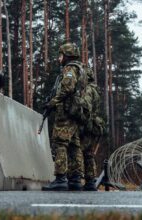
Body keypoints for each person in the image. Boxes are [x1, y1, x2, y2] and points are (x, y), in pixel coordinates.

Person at [42, 42, 85, 191]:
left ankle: (60, 179)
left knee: (60, 142)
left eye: (61, 55)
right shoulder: (80, 69)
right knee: (74, 145)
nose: (59, 59)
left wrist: (52, 103)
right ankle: (75, 180)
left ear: (67, 56)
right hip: (74, 112)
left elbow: (67, 88)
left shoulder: (70, 69)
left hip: (66, 112)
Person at [79, 67, 104, 191]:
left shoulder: (88, 90)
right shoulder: (96, 90)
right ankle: (90, 181)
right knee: (88, 154)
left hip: (88, 125)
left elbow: (86, 107)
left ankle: (77, 179)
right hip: (94, 125)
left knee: (79, 151)